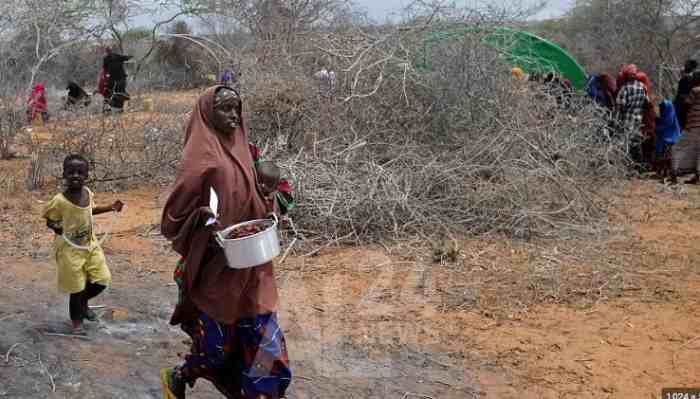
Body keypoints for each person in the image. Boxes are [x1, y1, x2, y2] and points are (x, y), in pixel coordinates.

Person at [160, 86, 292, 399]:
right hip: (215, 272)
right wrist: (201, 220)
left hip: (254, 267)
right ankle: (179, 377)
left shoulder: (249, 150)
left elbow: (278, 189)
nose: (233, 115)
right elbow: (173, 219)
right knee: (215, 349)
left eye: (237, 108)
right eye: (225, 108)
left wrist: (274, 204)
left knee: (266, 350)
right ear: (207, 113)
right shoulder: (200, 159)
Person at [42, 154, 124, 333]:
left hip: (90, 245)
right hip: (69, 250)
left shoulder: (87, 193)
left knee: (102, 280)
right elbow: (49, 219)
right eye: (71, 172)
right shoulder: (59, 201)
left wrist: (110, 207)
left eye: (80, 172)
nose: (76, 176)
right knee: (77, 289)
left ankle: (83, 304)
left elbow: (90, 210)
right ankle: (77, 323)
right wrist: (55, 226)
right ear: (64, 174)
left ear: (87, 175)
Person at [615, 64, 650, 166]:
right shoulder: (643, 87)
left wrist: (616, 121)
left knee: (625, 144)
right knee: (637, 144)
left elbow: (620, 106)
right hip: (638, 120)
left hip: (627, 120)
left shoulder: (624, 88)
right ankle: (639, 166)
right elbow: (647, 102)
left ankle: (626, 167)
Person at [671, 72, 700, 184]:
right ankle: (697, 176)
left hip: (694, 126)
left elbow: (687, 104)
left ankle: (674, 172)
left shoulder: (695, 90)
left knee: (677, 148)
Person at [655, 100, 682, 179]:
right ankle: (665, 172)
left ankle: (670, 173)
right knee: (665, 157)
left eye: (662, 108)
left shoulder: (669, 116)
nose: (661, 110)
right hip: (666, 140)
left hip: (671, 140)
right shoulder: (665, 115)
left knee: (668, 158)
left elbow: (666, 124)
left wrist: (656, 128)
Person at [102, 47, 132, 112]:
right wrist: (106, 76)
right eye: (108, 51)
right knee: (109, 91)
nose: (109, 52)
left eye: (109, 51)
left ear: (111, 51)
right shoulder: (105, 59)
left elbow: (126, 58)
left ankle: (124, 107)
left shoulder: (117, 56)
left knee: (121, 91)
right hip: (112, 77)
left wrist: (129, 57)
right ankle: (108, 108)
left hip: (121, 76)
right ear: (106, 52)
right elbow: (105, 68)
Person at [674, 59, 698, 130]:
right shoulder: (690, 78)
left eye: (687, 64)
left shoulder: (688, 78)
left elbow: (683, 93)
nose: (685, 66)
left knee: (679, 124)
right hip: (684, 104)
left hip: (682, 104)